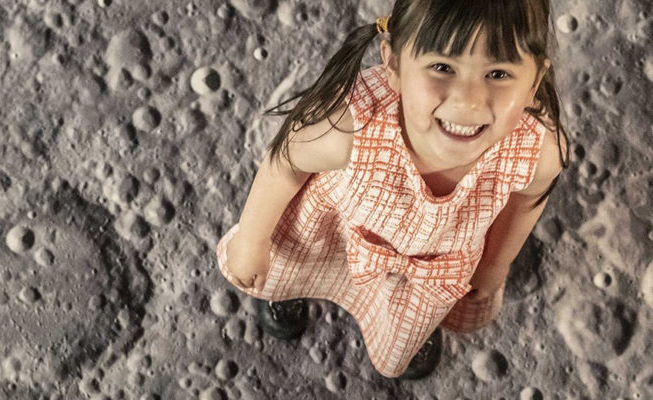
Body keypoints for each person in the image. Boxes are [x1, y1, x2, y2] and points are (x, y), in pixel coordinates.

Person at [216, 0, 571, 379]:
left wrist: (495, 264)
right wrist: (253, 239)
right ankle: (285, 296)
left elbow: (527, 201)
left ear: (534, 82)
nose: (468, 100)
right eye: (442, 67)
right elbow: (286, 164)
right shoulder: (350, 124)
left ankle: (407, 335)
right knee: (290, 265)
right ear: (394, 64)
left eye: (498, 73)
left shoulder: (538, 153)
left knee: (403, 331)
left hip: (429, 269)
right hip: (334, 232)